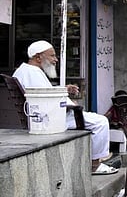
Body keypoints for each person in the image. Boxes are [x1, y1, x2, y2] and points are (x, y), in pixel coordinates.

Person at [13, 40, 116, 175]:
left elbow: (44, 93)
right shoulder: (32, 73)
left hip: (46, 116)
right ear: (38, 57)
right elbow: (45, 101)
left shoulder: (25, 70)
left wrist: (63, 90)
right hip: (49, 120)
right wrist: (68, 104)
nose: (56, 60)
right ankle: (95, 164)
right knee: (101, 122)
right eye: (52, 56)